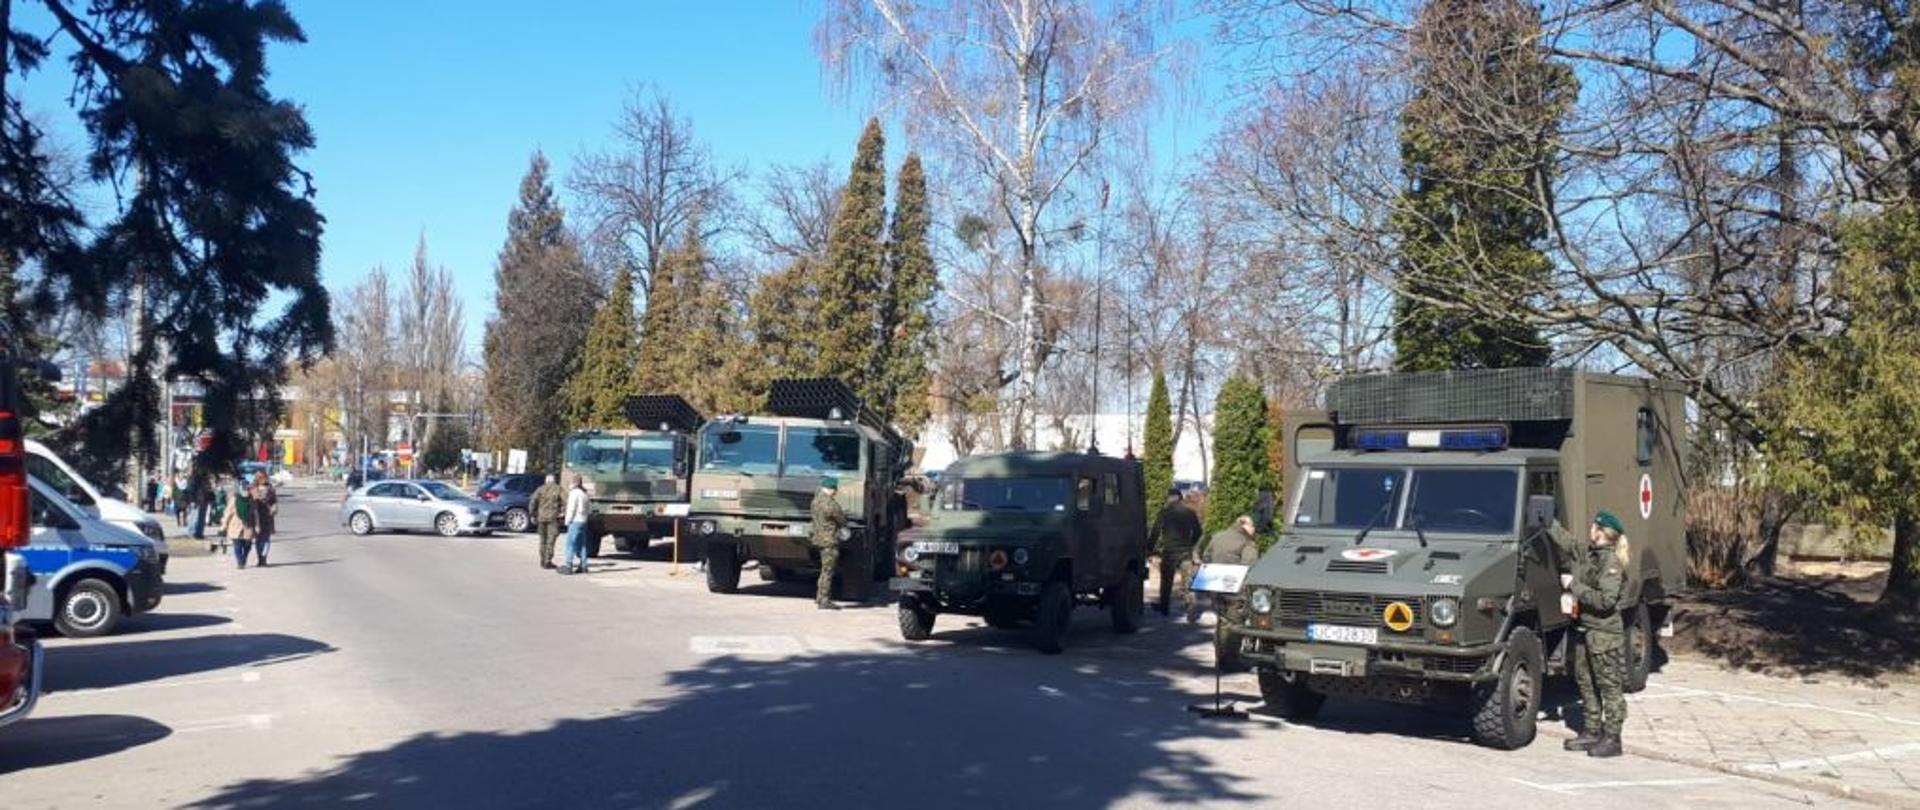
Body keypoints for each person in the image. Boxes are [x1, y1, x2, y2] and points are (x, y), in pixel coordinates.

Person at [1564, 511, 1631, 758]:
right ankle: (1592, 730)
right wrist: (1544, 521)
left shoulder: (1611, 563)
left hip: (1604, 635)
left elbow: (1605, 601)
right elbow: (1569, 543)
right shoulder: (1593, 555)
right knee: (1586, 681)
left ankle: (1613, 738)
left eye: (1594, 526)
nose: (1590, 529)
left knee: (1609, 686)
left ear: (1601, 531)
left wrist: (1574, 586)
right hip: (1586, 630)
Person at [1192, 515, 1262, 624]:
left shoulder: (1217, 536)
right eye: (1252, 526)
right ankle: (1230, 634)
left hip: (1213, 583)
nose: (1254, 529)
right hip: (1234, 586)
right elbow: (1250, 565)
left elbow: (1206, 557)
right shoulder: (1247, 542)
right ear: (1244, 525)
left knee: (1220, 610)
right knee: (1235, 618)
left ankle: (1219, 627)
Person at [1147, 488, 1203, 618]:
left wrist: (1149, 548)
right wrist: (1190, 544)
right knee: (1188, 583)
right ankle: (1190, 610)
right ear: (1180, 498)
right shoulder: (1190, 512)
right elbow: (1198, 531)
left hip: (1170, 552)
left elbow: (1155, 531)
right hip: (1185, 552)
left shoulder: (1165, 512)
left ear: (1170, 498)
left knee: (1166, 581)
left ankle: (1164, 607)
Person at [810, 477, 849, 611]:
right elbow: (842, 519)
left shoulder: (815, 501)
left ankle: (820, 597)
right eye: (835, 489)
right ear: (831, 489)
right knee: (828, 571)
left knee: (824, 570)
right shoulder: (830, 504)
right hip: (829, 540)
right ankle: (824, 600)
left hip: (819, 538)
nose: (835, 492)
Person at [558, 475, 591, 575]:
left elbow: (571, 508)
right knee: (582, 545)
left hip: (575, 521)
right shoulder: (584, 494)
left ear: (574, 483)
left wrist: (567, 521)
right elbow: (589, 509)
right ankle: (584, 565)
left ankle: (568, 565)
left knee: (570, 543)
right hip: (583, 521)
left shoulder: (574, 494)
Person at [530, 474, 564, 570]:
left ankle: (542, 559)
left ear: (546, 481)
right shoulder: (558, 489)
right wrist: (563, 512)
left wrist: (532, 514)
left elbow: (533, 501)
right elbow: (566, 500)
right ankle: (547, 560)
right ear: (554, 481)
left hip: (541, 518)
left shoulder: (540, 489)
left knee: (543, 540)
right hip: (553, 518)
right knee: (551, 540)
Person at [221, 478, 255, 569]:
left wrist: (257, 525)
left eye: (247, 488)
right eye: (244, 488)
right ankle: (240, 562)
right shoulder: (234, 499)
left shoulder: (251, 499)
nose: (246, 490)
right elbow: (227, 513)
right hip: (235, 526)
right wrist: (224, 525)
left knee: (248, 545)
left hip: (248, 526)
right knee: (238, 544)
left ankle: (244, 558)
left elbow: (255, 513)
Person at [248, 472, 278, 567]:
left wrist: (274, 508)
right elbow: (247, 501)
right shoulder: (252, 489)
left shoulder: (270, 489)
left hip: (267, 516)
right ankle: (259, 557)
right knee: (258, 539)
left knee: (266, 538)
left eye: (264, 478)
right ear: (257, 479)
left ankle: (264, 558)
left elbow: (274, 501)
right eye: (260, 478)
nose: (263, 480)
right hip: (256, 516)